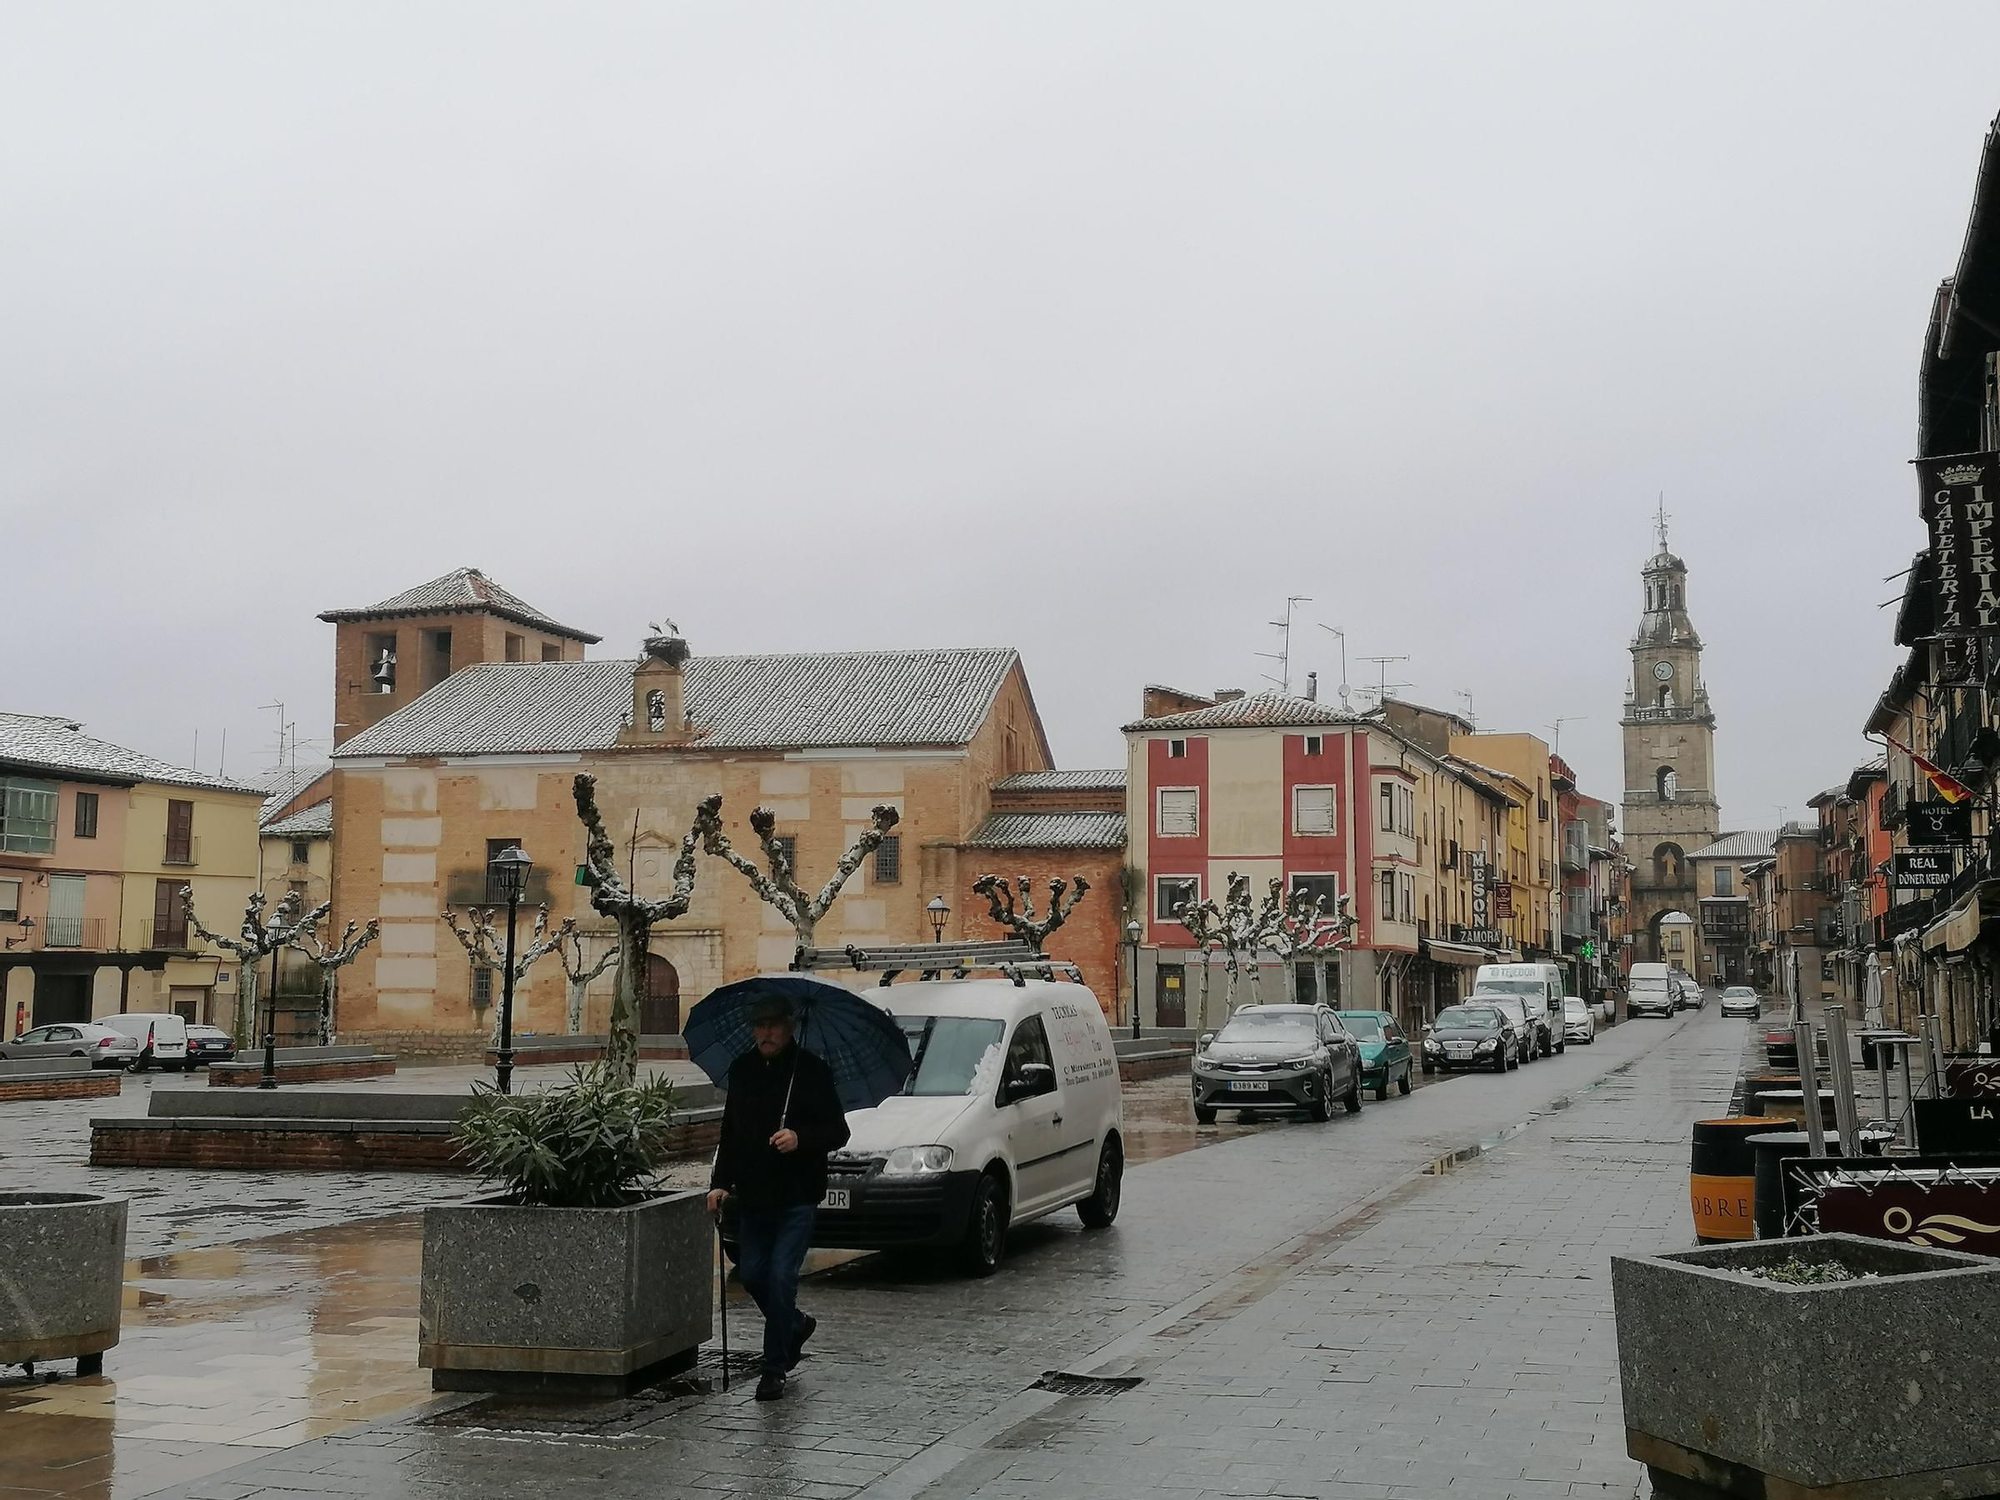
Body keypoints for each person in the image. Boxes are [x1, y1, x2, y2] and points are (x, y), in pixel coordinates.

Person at [706, 993, 850, 1401]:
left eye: (772, 1025)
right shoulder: (743, 1069)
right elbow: (730, 1133)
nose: (765, 1033)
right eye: (759, 1025)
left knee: (782, 1277)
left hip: (797, 1195)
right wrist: (720, 1182)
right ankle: (795, 1325)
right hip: (754, 1196)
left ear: (789, 1027)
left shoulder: (812, 1071)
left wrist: (800, 1138)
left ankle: (774, 1369)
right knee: (752, 1275)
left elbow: (839, 1132)